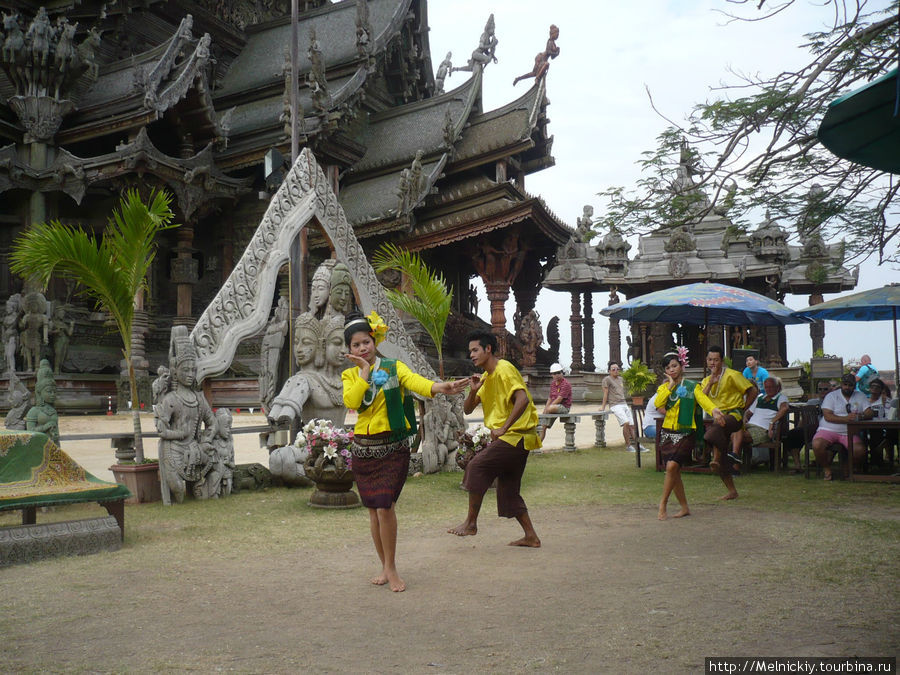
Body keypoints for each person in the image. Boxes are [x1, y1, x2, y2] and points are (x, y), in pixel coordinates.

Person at [343, 311, 466, 592]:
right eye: (356, 345)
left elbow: (416, 382)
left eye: (366, 342)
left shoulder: (393, 367)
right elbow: (351, 401)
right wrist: (363, 372)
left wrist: (440, 387)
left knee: (386, 506)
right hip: (364, 450)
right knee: (374, 511)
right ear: (349, 350)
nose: (363, 348)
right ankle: (384, 566)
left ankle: (392, 567)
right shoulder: (350, 375)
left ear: (374, 341)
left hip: (393, 449)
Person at [447, 329, 542, 548]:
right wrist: (472, 391)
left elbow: (523, 399)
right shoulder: (487, 378)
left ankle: (471, 523)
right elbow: (468, 409)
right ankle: (531, 537)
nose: (471, 355)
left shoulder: (504, 369)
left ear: (488, 349)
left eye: (475, 350)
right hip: (515, 439)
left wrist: (504, 427)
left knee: (477, 466)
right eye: (469, 351)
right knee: (508, 490)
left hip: (514, 436)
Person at [654, 352, 722, 519]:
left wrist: (714, 410)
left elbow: (702, 400)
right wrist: (669, 386)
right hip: (668, 432)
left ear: (681, 366)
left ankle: (663, 503)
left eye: (675, 366)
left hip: (685, 432)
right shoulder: (663, 388)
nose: (672, 369)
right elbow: (658, 403)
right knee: (674, 471)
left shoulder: (692, 386)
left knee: (671, 467)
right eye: (668, 367)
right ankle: (684, 507)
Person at [701, 346, 758, 500]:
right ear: (706, 361)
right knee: (718, 437)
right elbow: (701, 399)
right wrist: (710, 383)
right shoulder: (706, 380)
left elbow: (752, 390)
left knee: (714, 430)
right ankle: (732, 489)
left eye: (716, 360)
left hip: (734, 415)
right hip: (718, 419)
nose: (713, 363)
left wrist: (743, 409)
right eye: (710, 360)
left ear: (722, 361)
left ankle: (715, 458)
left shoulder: (733, 375)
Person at [811, 372, 873, 481]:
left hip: (849, 432)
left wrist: (861, 416)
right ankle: (826, 469)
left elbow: (870, 413)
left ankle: (847, 467)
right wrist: (845, 419)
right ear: (841, 384)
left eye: (850, 385)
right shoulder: (831, 396)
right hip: (828, 429)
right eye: (845, 384)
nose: (847, 387)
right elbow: (827, 416)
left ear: (854, 385)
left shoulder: (860, 396)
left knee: (860, 451)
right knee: (817, 444)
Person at [731, 376, 789, 468]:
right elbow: (748, 412)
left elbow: (784, 408)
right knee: (731, 431)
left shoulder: (781, 398)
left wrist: (772, 422)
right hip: (749, 426)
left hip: (762, 429)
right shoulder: (760, 398)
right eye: (766, 387)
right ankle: (734, 462)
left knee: (736, 434)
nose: (768, 389)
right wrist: (745, 416)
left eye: (771, 387)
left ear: (777, 387)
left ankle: (734, 464)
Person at [601, 361, 636, 452]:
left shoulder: (621, 379)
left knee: (632, 425)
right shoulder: (607, 379)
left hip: (624, 403)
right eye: (613, 369)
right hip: (615, 404)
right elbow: (605, 393)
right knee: (626, 423)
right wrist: (603, 407)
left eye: (617, 369)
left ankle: (638, 445)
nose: (616, 371)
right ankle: (628, 446)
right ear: (609, 371)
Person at [539, 362, 571, 441]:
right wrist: (545, 410)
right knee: (543, 426)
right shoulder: (553, 384)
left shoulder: (566, 384)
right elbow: (550, 398)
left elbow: (559, 399)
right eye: (554, 373)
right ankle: (537, 446)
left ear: (562, 373)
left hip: (564, 407)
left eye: (558, 373)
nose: (556, 375)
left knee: (550, 409)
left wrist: (548, 409)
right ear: (551, 375)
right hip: (554, 407)